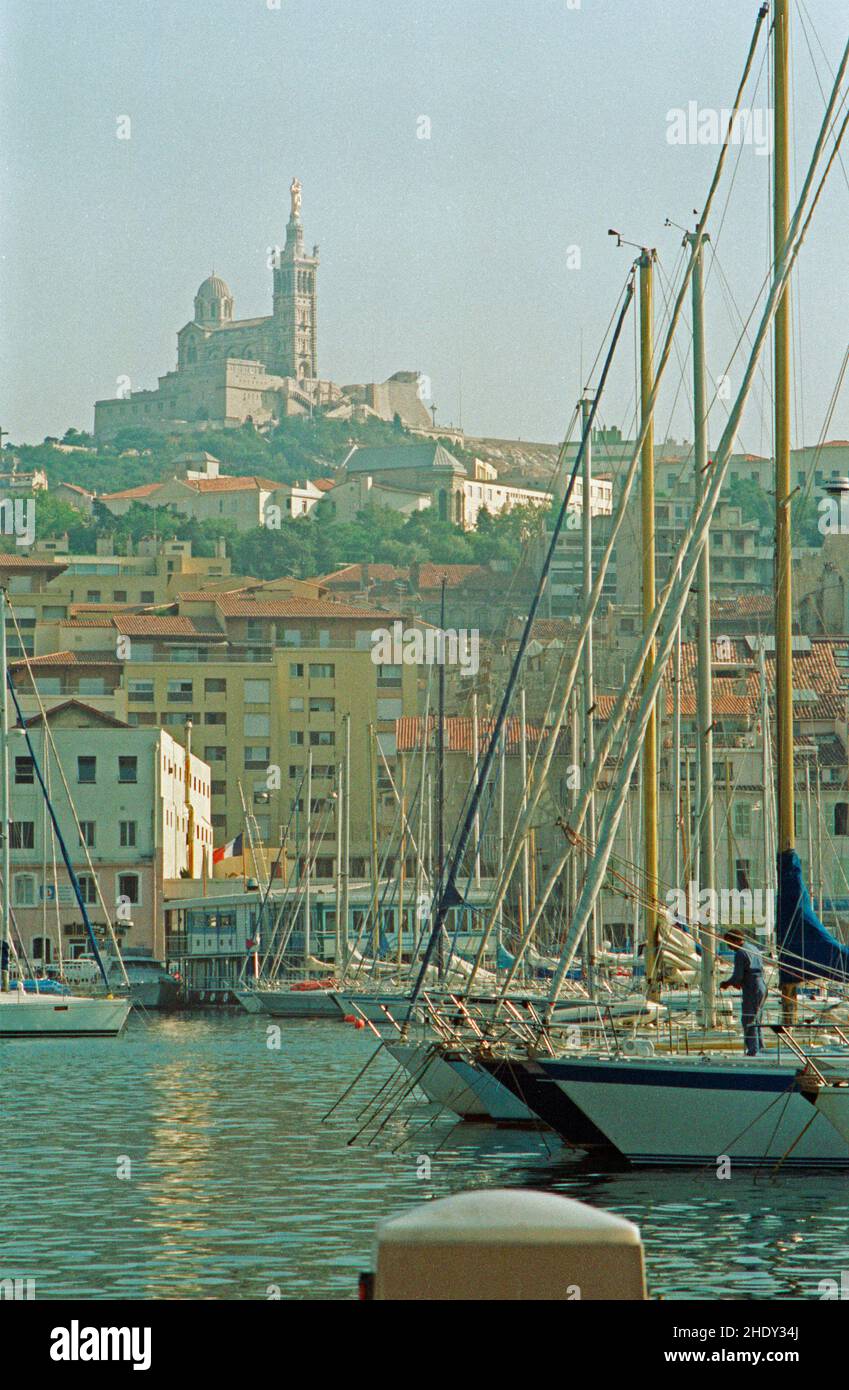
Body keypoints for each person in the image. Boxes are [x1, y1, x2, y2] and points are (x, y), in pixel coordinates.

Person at [719, 930, 768, 1056]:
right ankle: (760, 1047)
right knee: (757, 1019)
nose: (728, 946)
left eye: (728, 943)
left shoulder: (740, 953)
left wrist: (726, 983)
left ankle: (753, 1050)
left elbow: (737, 976)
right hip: (761, 985)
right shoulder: (753, 948)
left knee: (748, 1019)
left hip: (752, 988)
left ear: (735, 940)